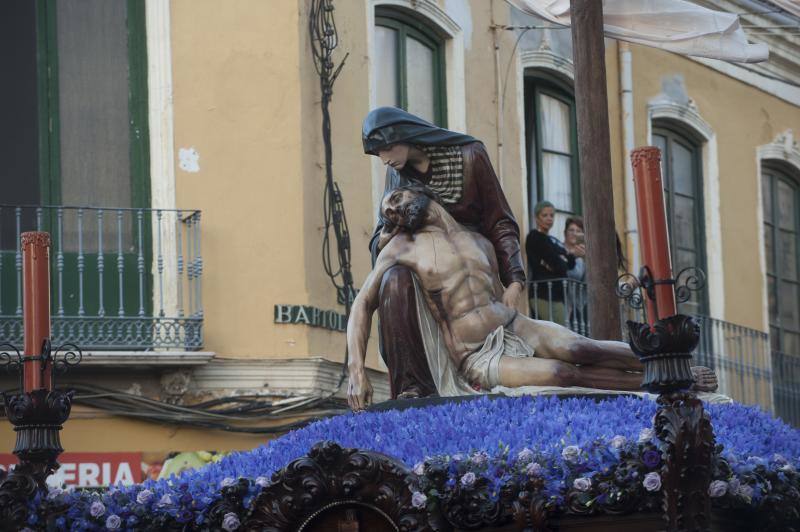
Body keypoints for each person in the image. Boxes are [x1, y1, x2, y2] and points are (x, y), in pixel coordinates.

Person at [346, 185, 717, 410]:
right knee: (561, 374)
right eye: (388, 212)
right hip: (479, 355)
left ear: (422, 193)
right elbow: (363, 303)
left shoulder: (477, 239)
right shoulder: (400, 248)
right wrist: (357, 371)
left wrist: (514, 286)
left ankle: (675, 367)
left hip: (515, 325)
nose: (393, 209)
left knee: (584, 349)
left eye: (395, 198)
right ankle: (669, 382)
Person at [363, 107, 525, 399]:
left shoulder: (471, 155)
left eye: (385, 149)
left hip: (472, 269)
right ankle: (413, 389)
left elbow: (499, 220)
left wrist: (514, 279)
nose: (385, 159)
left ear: (404, 134)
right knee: (394, 280)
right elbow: (380, 237)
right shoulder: (396, 175)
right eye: (378, 155)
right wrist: (388, 234)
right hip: (425, 271)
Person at [525, 201, 579, 323]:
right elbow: (560, 265)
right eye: (545, 215)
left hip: (558, 296)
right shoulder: (535, 237)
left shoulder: (552, 241)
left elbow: (569, 264)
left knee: (562, 332)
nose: (549, 219)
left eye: (552, 215)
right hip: (543, 294)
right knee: (558, 333)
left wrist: (562, 259)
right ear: (537, 218)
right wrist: (561, 260)